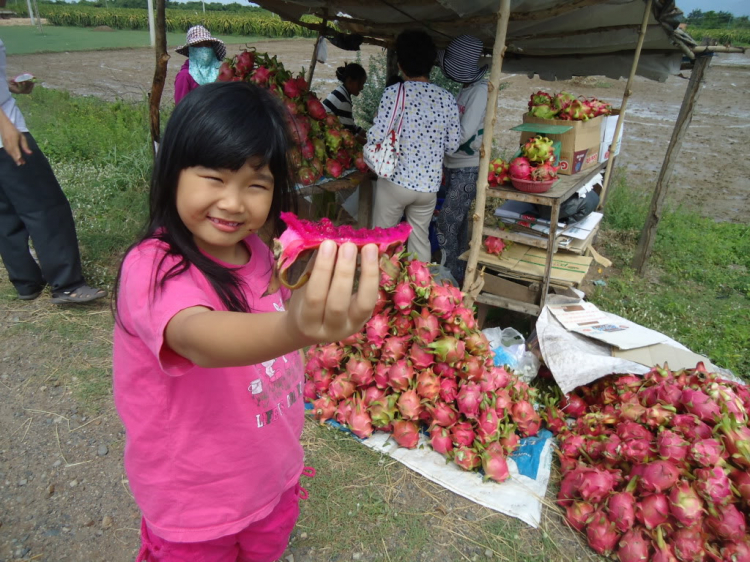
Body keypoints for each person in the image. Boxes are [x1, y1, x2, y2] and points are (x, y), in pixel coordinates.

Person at [112, 81, 379, 562]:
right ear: (172, 173)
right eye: (214, 178)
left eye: (256, 184)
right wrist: (292, 331)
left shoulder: (262, 253)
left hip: (272, 486)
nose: (234, 203)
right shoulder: (153, 265)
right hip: (193, 508)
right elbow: (197, 337)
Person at [0, 39, 106, 304]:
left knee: (6, 211)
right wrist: (5, 126)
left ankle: (26, 282)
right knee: (46, 206)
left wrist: (10, 87)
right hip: (7, 134)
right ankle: (67, 284)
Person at [368, 30, 461, 263]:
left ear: (400, 65)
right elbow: (452, 146)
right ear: (431, 64)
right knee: (420, 240)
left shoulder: (394, 93)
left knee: (383, 240)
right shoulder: (447, 98)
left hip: (395, 182)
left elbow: (377, 136)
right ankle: (420, 291)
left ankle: (379, 290)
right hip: (428, 188)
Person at [435, 35, 489, 286]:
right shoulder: (465, 89)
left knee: (447, 222)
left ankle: (452, 278)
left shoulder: (479, 91)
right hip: (454, 165)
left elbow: (464, 132)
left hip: (468, 168)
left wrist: (435, 135)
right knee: (455, 224)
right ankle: (456, 272)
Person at [174, 25, 226, 105]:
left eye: (207, 44)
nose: (203, 48)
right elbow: (181, 109)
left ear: (212, 48)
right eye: (198, 45)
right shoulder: (185, 76)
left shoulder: (219, 71)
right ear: (191, 49)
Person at [323, 62, 368, 143]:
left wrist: (370, 135)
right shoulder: (343, 101)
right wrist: (370, 144)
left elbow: (351, 126)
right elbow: (351, 135)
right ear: (350, 81)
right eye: (360, 84)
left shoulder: (341, 92)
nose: (361, 88)